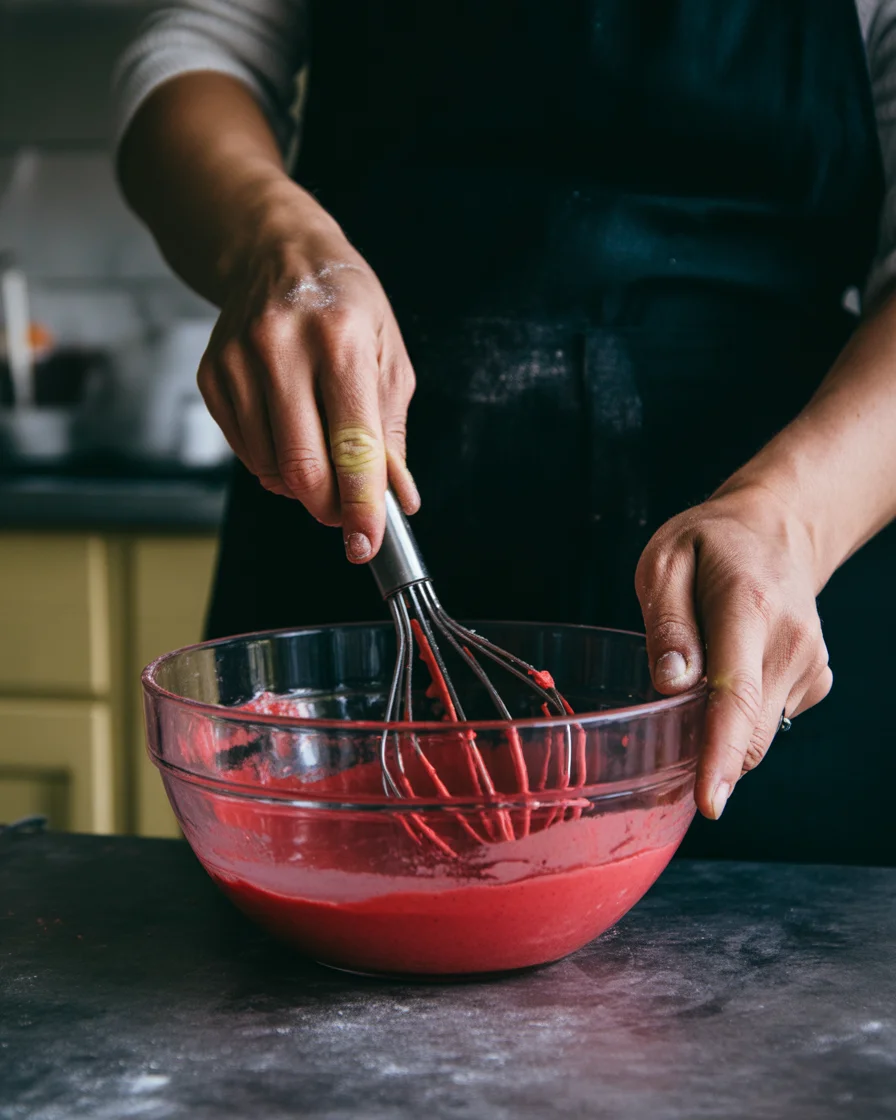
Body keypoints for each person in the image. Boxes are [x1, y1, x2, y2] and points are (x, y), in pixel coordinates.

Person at [115, 1, 896, 864]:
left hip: (766, 592)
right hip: (358, 556)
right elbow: (192, 58)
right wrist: (274, 240)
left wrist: (790, 518)